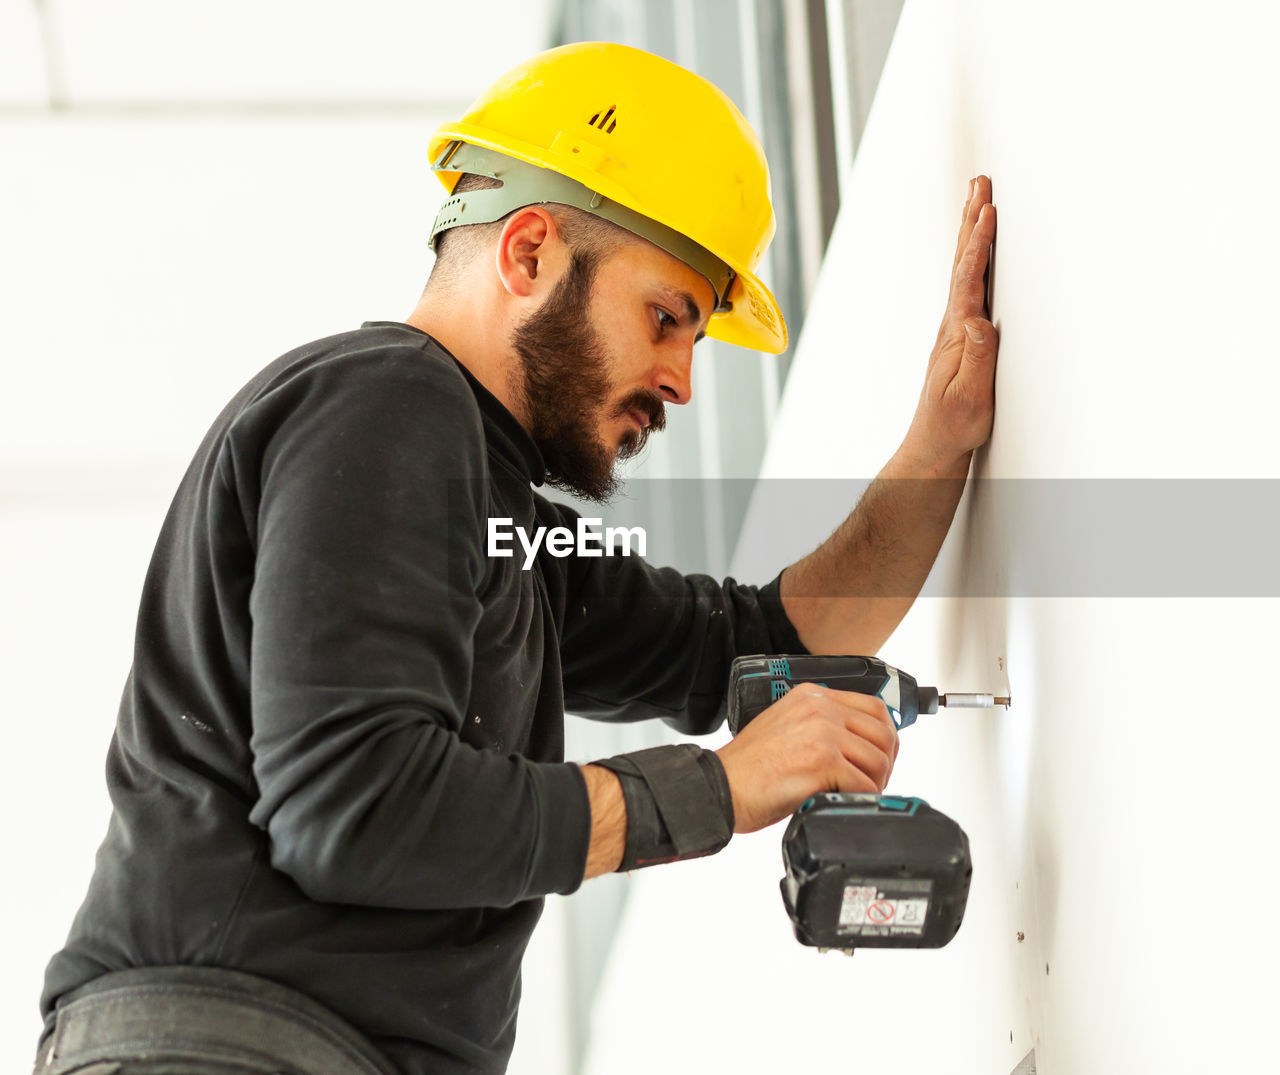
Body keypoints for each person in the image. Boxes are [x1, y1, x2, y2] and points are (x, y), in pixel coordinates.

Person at [34, 41, 997, 1075]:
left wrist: (934, 447)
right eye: (665, 318)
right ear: (529, 252)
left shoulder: (503, 530)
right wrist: (713, 787)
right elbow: (354, 806)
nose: (679, 379)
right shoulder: (386, 405)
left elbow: (765, 642)